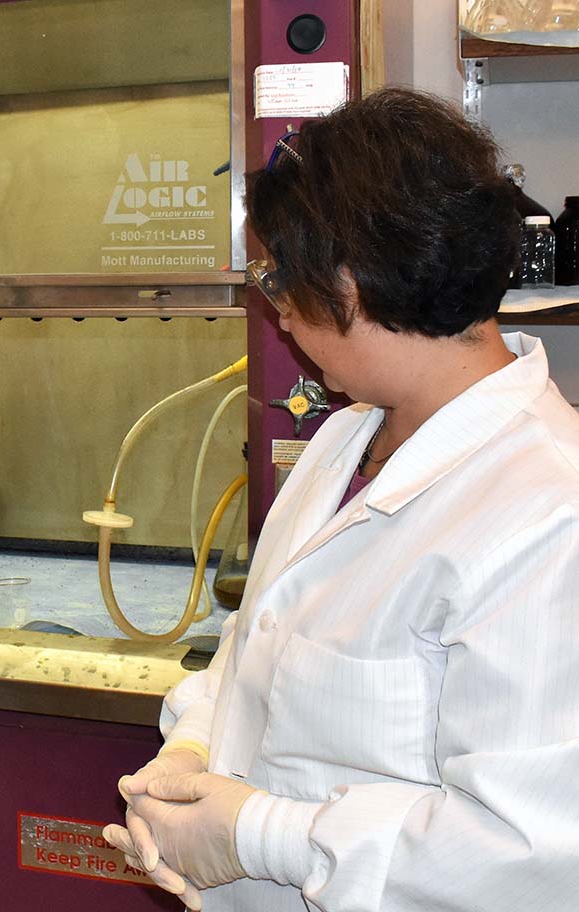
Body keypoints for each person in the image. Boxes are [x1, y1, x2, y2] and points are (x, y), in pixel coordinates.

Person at [105, 88, 579, 910]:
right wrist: (191, 750)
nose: (281, 319)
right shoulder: (345, 438)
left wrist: (257, 834)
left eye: (281, 286)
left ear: (350, 284)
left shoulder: (547, 512)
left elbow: (527, 857)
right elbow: (260, 643)